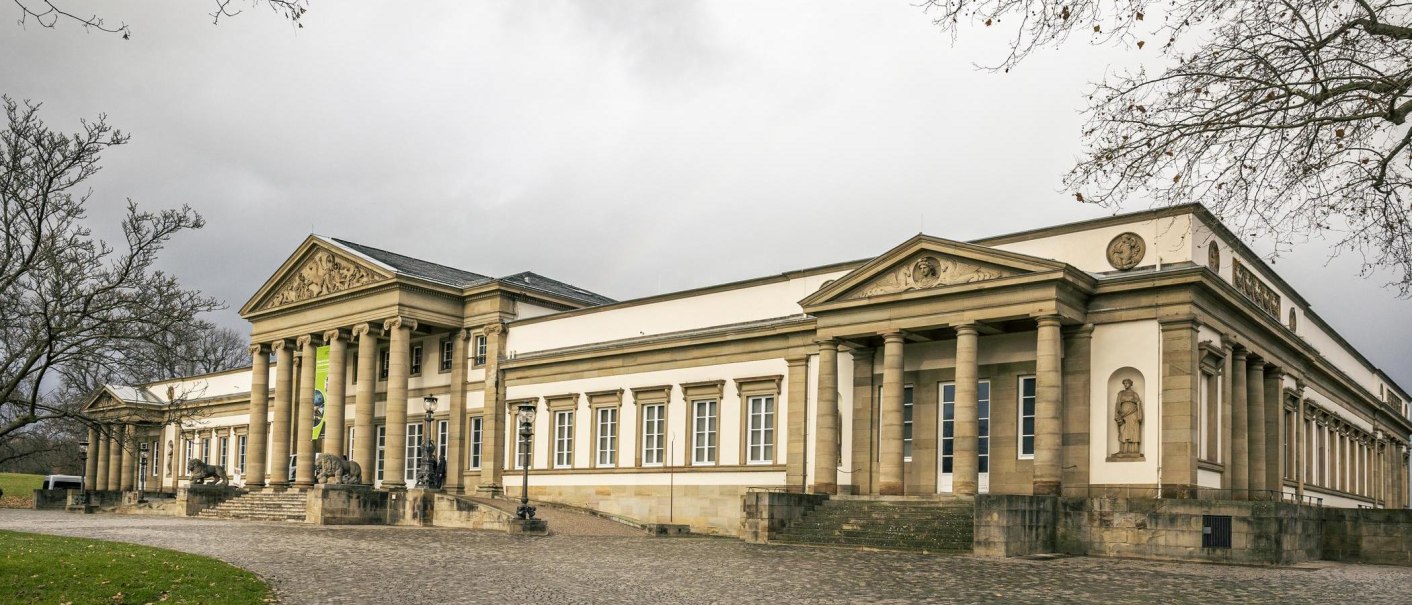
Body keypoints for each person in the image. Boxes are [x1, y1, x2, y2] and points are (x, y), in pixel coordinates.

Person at [1115, 378, 1143, 454]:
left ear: (1130, 384)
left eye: (1127, 383)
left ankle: (1134, 450)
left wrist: (1140, 415)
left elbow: (1138, 405)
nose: (1125, 385)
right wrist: (1117, 415)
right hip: (1123, 415)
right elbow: (1117, 404)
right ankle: (1123, 450)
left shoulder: (1134, 394)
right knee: (1123, 431)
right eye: (1124, 383)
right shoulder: (1121, 393)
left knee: (1133, 432)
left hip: (1133, 414)